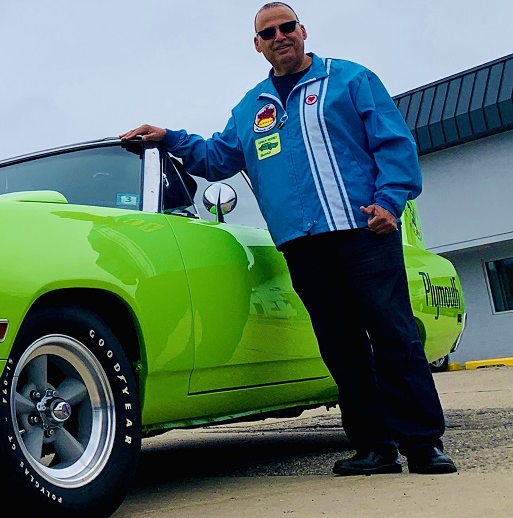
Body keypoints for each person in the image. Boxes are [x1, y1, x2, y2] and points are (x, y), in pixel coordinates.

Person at [120, 2, 456, 476]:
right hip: (303, 245)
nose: (280, 36)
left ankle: (424, 446)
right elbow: (218, 158)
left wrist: (390, 200)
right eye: (268, 32)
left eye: (287, 27)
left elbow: (393, 142)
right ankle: (375, 448)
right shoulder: (252, 108)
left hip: (364, 232)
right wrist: (169, 137)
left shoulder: (350, 79)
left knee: (394, 337)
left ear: (303, 31)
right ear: (257, 45)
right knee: (341, 346)